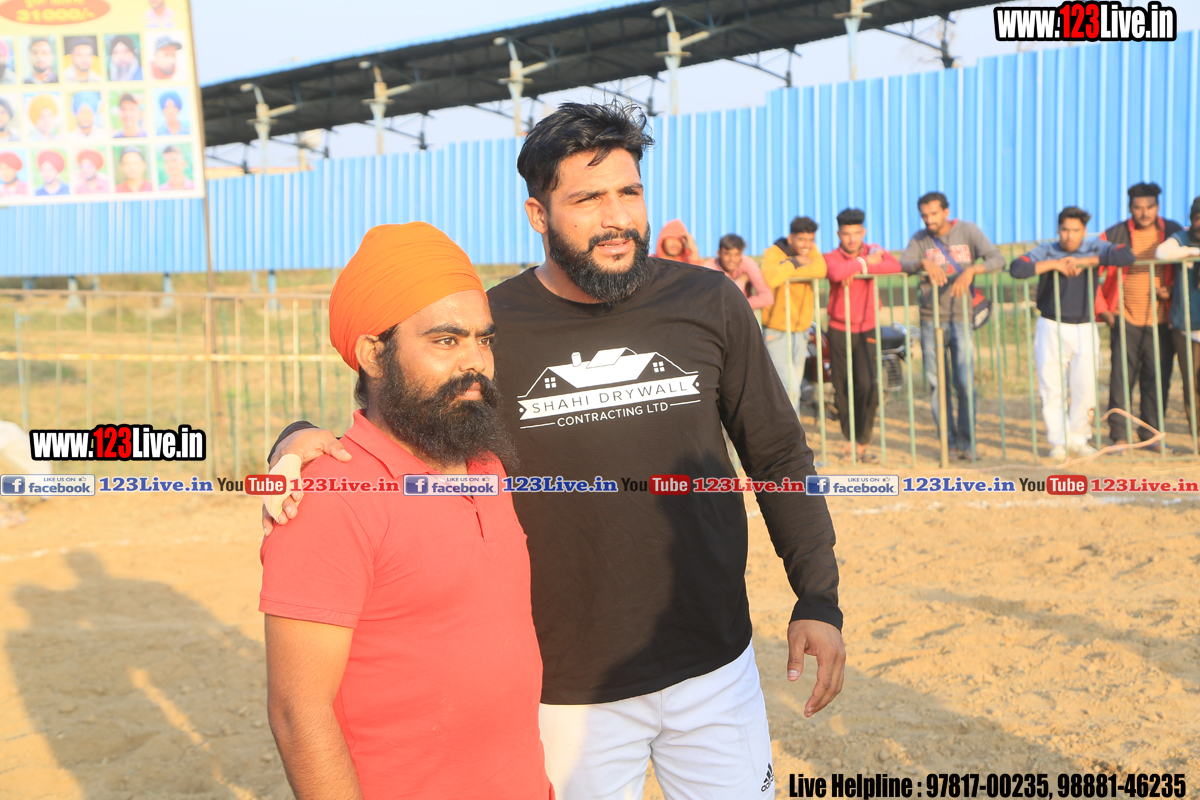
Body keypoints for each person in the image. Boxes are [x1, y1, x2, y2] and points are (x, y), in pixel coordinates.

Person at [267, 102, 844, 800]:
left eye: (629, 192)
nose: (617, 218)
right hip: (566, 694)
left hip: (715, 664)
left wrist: (818, 595)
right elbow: (402, 418)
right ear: (538, 215)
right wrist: (294, 436)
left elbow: (777, 454)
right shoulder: (493, 327)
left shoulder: (709, 300)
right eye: (587, 199)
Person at [261, 222, 551, 800]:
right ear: (374, 354)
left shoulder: (486, 464)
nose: (476, 363)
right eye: (446, 341)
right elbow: (298, 714)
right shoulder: (332, 495)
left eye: (484, 340)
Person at [1010, 207, 1135, 461]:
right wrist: (1054, 264)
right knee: (1051, 387)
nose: (1070, 235)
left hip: (1085, 326)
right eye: (1065, 229)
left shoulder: (1093, 247)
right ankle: (1058, 441)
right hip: (1050, 325)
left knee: (1085, 387)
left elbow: (1126, 255)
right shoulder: (1046, 250)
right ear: (1058, 229)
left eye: (1075, 230)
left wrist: (1086, 262)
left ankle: (1079, 438)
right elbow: (1017, 268)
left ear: (1084, 231)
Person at [899, 191, 1004, 460]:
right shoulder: (919, 238)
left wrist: (972, 270)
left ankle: (967, 444)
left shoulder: (968, 231)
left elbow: (997, 259)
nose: (928, 220)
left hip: (961, 318)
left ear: (946, 212)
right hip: (930, 319)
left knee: (965, 384)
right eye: (924, 215)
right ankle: (949, 443)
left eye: (933, 214)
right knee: (937, 385)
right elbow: (903, 264)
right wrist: (922, 262)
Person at [1097, 182, 1181, 452]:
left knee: (1158, 379)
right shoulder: (1114, 234)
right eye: (1138, 207)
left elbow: (1186, 271)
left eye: (1150, 207)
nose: (1144, 213)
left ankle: (1151, 436)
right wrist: (1104, 311)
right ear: (1130, 208)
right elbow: (1091, 272)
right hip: (1125, 318)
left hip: (1162, 320)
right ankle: (1119, 437)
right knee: (1121, 379)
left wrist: (1172, 290)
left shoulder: (1174, 232)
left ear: (1158, 207)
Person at [824, 207, 902, 462]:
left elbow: (894, 265)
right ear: (838, 234)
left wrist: (857, 267)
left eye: (856, 233)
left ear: (863, 232)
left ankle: (863, 438)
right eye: (846, 234)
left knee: (868, 383)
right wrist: (862, 265)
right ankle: (850, 440)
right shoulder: (832, 256)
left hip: (867, 327)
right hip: (839, 328)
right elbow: (836, 273)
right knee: (842, 385)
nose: (852, 239)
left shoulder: (874, 249)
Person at [760, 216, 828, 413]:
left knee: (794, 387)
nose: (807, 245)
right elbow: (771, 278)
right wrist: (796, 262)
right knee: (788, 389)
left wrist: (786, 269)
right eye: (802, 240)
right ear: (791, 238)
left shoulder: (812, 251)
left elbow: (821, 269)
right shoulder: (773, 253)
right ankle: (792, 432)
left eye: (811, 240)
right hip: (776, 332)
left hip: (801, 331)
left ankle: (787, 429)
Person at [1157, 196, 1200, 440]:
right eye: (1198, 218)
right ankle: (1198, 438)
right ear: (1192, 219)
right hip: (1187, 324)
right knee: (1192, 384)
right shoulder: (1181, 239)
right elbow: (1161, 253)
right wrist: (1194, 252)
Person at [701, 233, 772, 310]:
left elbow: (767, 298)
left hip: (742, 315)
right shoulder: (710, 268)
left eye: (737, 254)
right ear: (719, 253)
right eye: (727, 254)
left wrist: (740, 307)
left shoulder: (748, 264)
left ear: (741, 254)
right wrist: (741, 281)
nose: (732, 259)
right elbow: (710, 301)